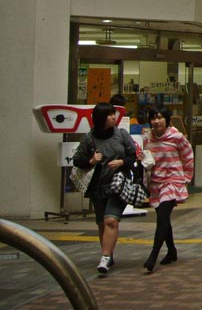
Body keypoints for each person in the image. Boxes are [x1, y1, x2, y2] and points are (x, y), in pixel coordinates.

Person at [71, 102, 138, 274]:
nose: (113, 117)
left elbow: (133, 155)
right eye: (109, 115)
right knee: (102, 223)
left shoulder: (121, 134)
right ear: (100, 118)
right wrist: (91, 161)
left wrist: (122, 161)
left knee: (111, 220)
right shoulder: (89, 138)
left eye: (113, 114)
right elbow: (77, 159)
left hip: (118, 184)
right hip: (98, 186)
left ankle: (105, 258)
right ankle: (108, 254)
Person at [142, 106, 194, 272]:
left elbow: (188, 155)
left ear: (167, 119)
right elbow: (147, 157)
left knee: (162, 217)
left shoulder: (176, 136)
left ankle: (153, 256)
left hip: (173, 182)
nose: (156, 121)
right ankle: (172, 251)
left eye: (159, 118)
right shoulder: (148, 138)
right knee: (164, 219)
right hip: (157, 183)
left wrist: (186, 177)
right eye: (153, 118)